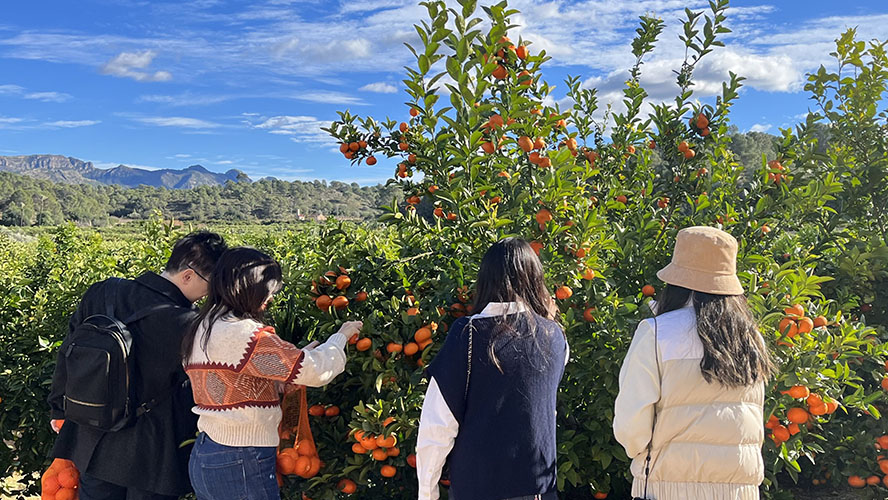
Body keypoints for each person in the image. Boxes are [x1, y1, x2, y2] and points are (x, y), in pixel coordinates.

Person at [48, 230, 228, 500]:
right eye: (211, 285)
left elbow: (68, 352)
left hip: (93, 436)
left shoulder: (104, 292)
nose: (209, 295)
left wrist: (58, 407)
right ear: (188, 275)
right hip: (154, 455)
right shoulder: (188, 324)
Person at [183, 247, 360, 500]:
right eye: (267, 292)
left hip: (208, 452)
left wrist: (282, 374)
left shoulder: (203, 325)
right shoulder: (246, 334)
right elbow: (316, 371)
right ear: (249, 288)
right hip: (241, 456)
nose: (270, 300)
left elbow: (229, 380)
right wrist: (340, 337)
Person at [614, 226, 773, 500]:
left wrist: (642, 453)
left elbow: (631, 424)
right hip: (740, 489)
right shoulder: (750, 337)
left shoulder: (656, 332)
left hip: (668, 485)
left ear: (676, 280)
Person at [416, 237, 568, 500]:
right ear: (535, 280)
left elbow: (437, 425)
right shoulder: (555, 337)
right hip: (538, 491)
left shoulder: (468, 334)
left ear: (485, 280)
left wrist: (427, 493)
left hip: (477, 488)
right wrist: (548, 320)